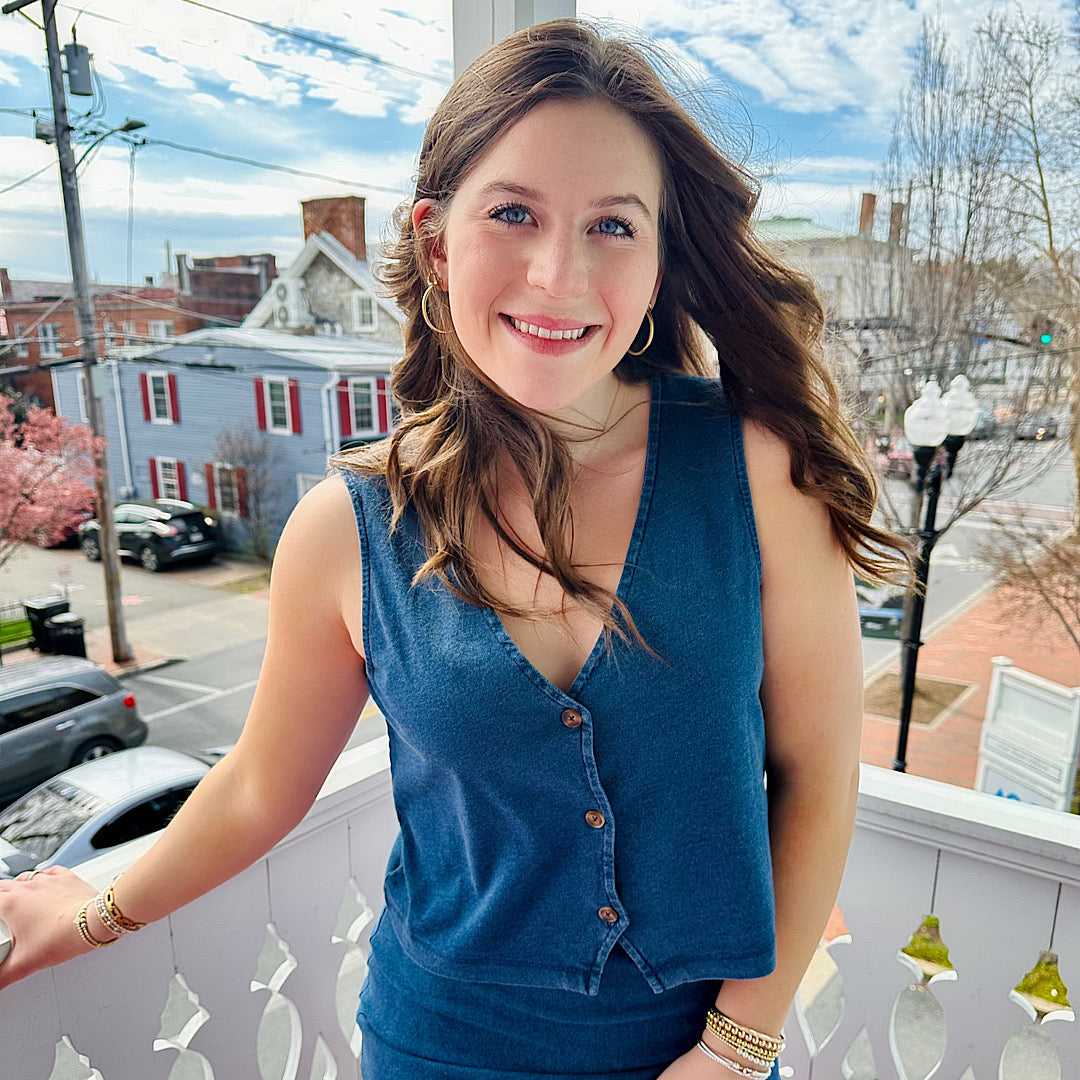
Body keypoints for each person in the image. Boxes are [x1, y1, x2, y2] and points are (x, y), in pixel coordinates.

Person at [0, 19, 907, 1080]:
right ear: (437, 243)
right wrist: (93, 911)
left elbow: (817, 775)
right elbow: (256, 787)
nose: (558, 275)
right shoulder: (347, 528)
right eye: (513, 213)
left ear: (660, 260)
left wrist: (735, 1049)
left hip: (704, 1049)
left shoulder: (757, 469)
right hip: (436, 1044)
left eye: (613, 226)